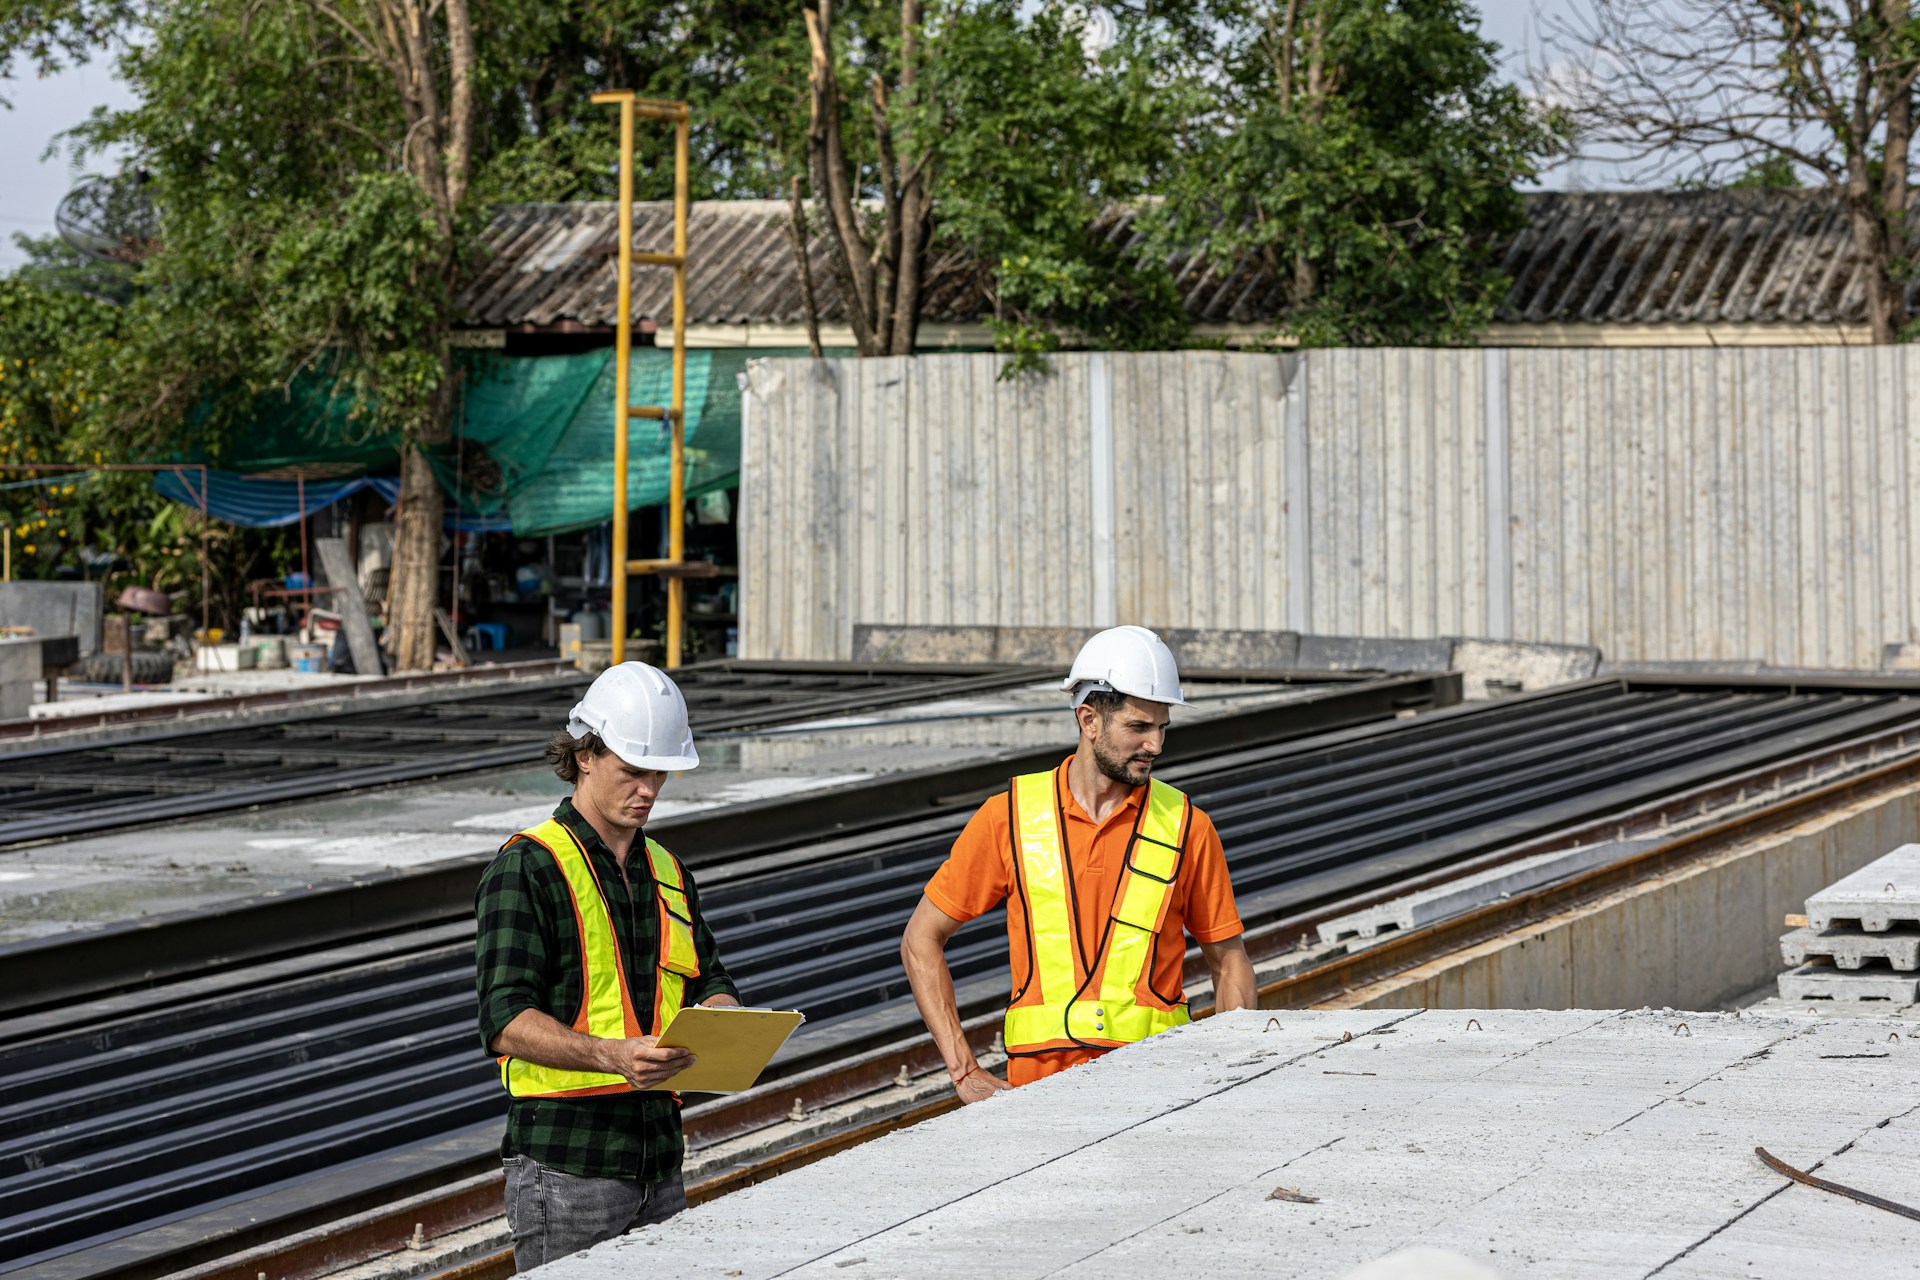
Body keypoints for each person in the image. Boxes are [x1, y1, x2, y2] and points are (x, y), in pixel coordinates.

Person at [900, 625, 1258, 1102]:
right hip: (1037, 1103)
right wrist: (965, 1072)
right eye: (1138, 727)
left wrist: (1235, 1081)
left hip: (1159, 1094)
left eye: (1162, 727)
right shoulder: (1007, 818)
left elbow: (1229, 963)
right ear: (1088, 720)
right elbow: (920, 938)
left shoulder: (1186, 826)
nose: (1156, 745)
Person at [475, 662, 741, 1270]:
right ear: (586, 754)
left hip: (661, 1161)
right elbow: (504, 1018)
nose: (648, 788)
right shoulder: (529, 867)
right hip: (568, 1171)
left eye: (659, 773)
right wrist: (611, 1055)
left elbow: (710, 978)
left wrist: (724, 1019)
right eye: (633, 771)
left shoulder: (669, 871)